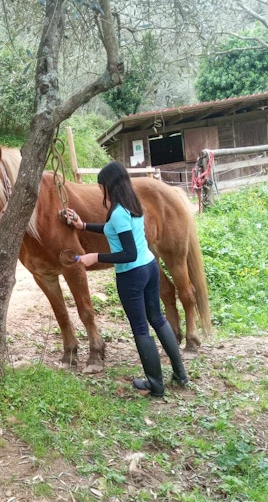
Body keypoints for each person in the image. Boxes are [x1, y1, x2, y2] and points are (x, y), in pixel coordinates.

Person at [62, 162, 188, 397]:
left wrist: (94, 256)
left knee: (141, 328)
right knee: (158, 319)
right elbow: (114, 229)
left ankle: (155, 384)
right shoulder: (132, 205)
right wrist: (83, 225)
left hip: (132, 274)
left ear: (111, 186)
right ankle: (180, 373)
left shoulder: (118, 212)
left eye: (102, 187)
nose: (101, 192)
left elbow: (127, 253)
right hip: (149, 266)